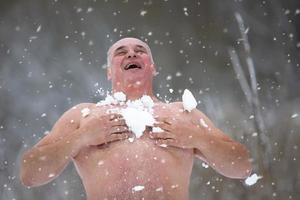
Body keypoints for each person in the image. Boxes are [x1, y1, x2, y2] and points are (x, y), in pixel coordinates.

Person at [20, 37, 252, 200]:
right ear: (109, 72)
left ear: (153, 67)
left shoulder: (183, 114)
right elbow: (30, 173)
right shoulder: (84, 116)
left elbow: (242, 166)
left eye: (140, 50)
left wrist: (196, 138)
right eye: (121, 52)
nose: (131, 53)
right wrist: (82, 137)